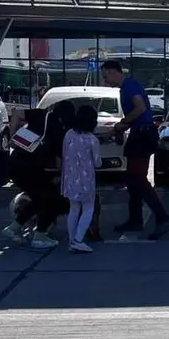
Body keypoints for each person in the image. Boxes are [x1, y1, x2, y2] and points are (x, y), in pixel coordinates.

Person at [101, 60, 169, 240]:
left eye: (105, 76)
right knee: (132, 179)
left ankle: (163, 218)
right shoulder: (125, 88)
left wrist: (123, 124)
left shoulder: (130, 86)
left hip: (143, 135)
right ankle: (135, 220)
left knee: (137, 178)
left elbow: (140, 108)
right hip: (139, 133)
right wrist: (122, 128)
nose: (105, 81)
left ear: (114, 72)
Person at [2, 100, 75, 249]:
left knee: (39, 199)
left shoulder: (41, 115)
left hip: (14, 165)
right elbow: (59, 163)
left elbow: (16, 114)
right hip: (33, 169)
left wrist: (12, 135)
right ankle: (40, 237)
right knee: (53, 200)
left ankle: (13, 228)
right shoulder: (60, 132)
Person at [62, 105, 102, 253]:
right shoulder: (92, 140)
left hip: (70, 177)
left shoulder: (69, 134)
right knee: (88, 208)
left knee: (73, 209)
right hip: (86, 180)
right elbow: (97, 163)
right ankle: (78, 240)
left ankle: (72, 240)